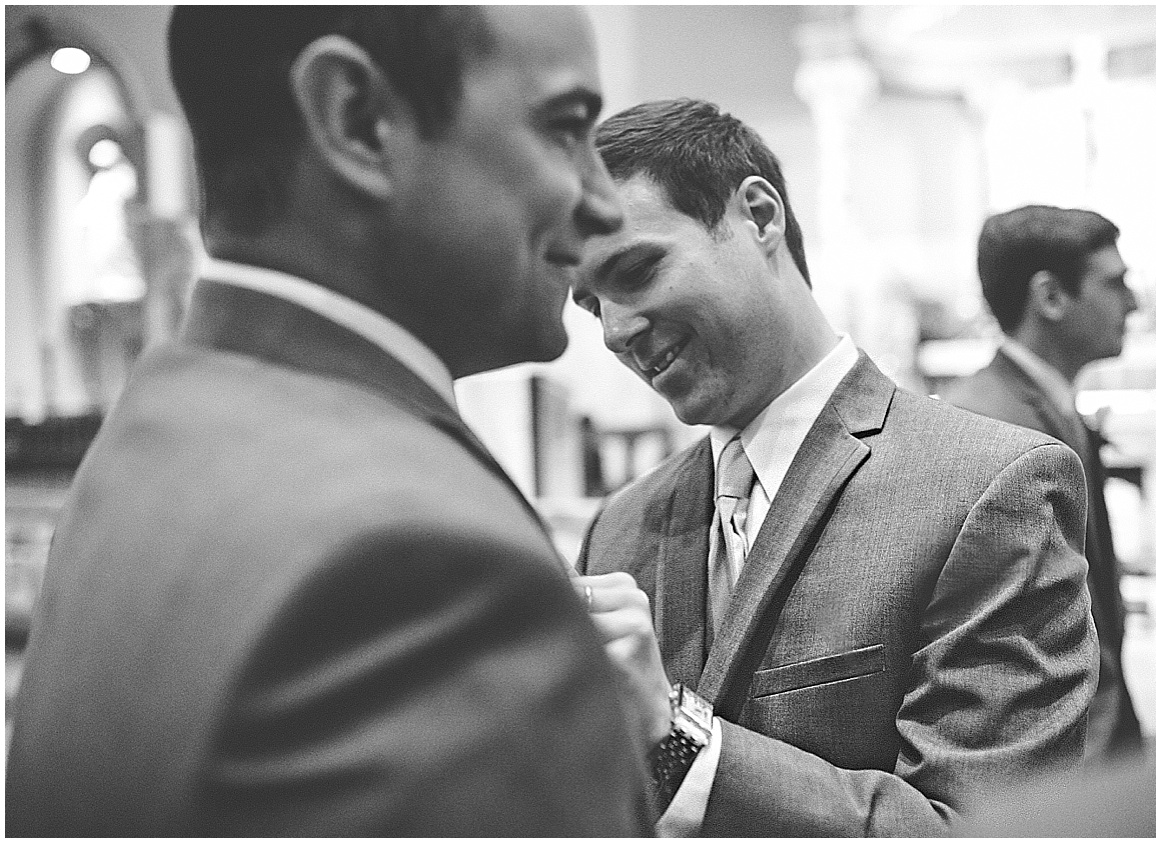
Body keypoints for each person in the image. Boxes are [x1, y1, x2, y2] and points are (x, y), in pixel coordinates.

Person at [6, 6, 646, 835]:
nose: (603, 206)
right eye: (564, 128)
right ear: (357, 119)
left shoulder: (164, 413)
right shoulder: (427, 570)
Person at [570, 98, 1098, 835]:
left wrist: (684, 747)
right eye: (590, 303)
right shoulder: (619, 526)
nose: (616, 330)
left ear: (759, 216)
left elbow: (986, 829)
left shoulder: (990, 485)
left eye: (636, 269)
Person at [939, 205, 1143, 760]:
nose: (1134, 303)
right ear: (1050, 296)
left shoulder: (1047, 403)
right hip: (1056, 750)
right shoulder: (987, 423)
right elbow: (1013, 637)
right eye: (1115, 283)